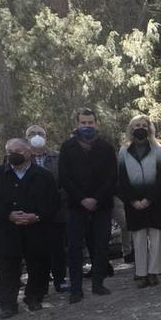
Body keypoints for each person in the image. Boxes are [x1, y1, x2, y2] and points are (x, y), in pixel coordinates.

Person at [0, 137, 62, 316]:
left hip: (36, 229)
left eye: (18, 151)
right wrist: (8, 215)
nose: (14, 155)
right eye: (10, 152)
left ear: (29, 151)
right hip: (6, 230)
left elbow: (53, 203)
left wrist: (37, 216)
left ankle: (34, 297)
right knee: (8, 268)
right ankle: (8, 305)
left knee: (39, 265)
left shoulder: (43, 175)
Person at [59, 108, 117, 301]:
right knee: (75, 248)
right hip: (76, 205)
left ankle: (98, 283)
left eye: (90, 123)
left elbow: (111, 177)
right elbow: (64, 178)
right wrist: (82, 199)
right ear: (77, 125)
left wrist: (96, 199)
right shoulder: (67, 147)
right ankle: (76, 289)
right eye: (83, 123)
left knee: (100, 245)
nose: (87, 126)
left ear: (96, 123)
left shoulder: (106, 148)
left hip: (102, 205)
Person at [117, 113, 161, 287]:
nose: (140, 128)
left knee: (156, 237)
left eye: (143, 125)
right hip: (133, 203)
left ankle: (154, 271)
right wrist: (133, 200)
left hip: (156, 201)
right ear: (131, 129)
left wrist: (149, 199)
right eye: (136, 126)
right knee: (139, 238)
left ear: (149, 128)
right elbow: (121, 179)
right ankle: (141, 273)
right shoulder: (123, 151)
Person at [24, 123, 67, 293]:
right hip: (30, 214)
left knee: (58, 248)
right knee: (34, 252)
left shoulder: (58, 157)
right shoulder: (22, 158)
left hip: (56, 211)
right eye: (32, 133)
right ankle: (39, 284)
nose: (36, 135)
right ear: (26, 138)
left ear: (46, 137)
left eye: (40, 133)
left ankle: (60, 279)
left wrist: (56, 203)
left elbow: (65, 181)